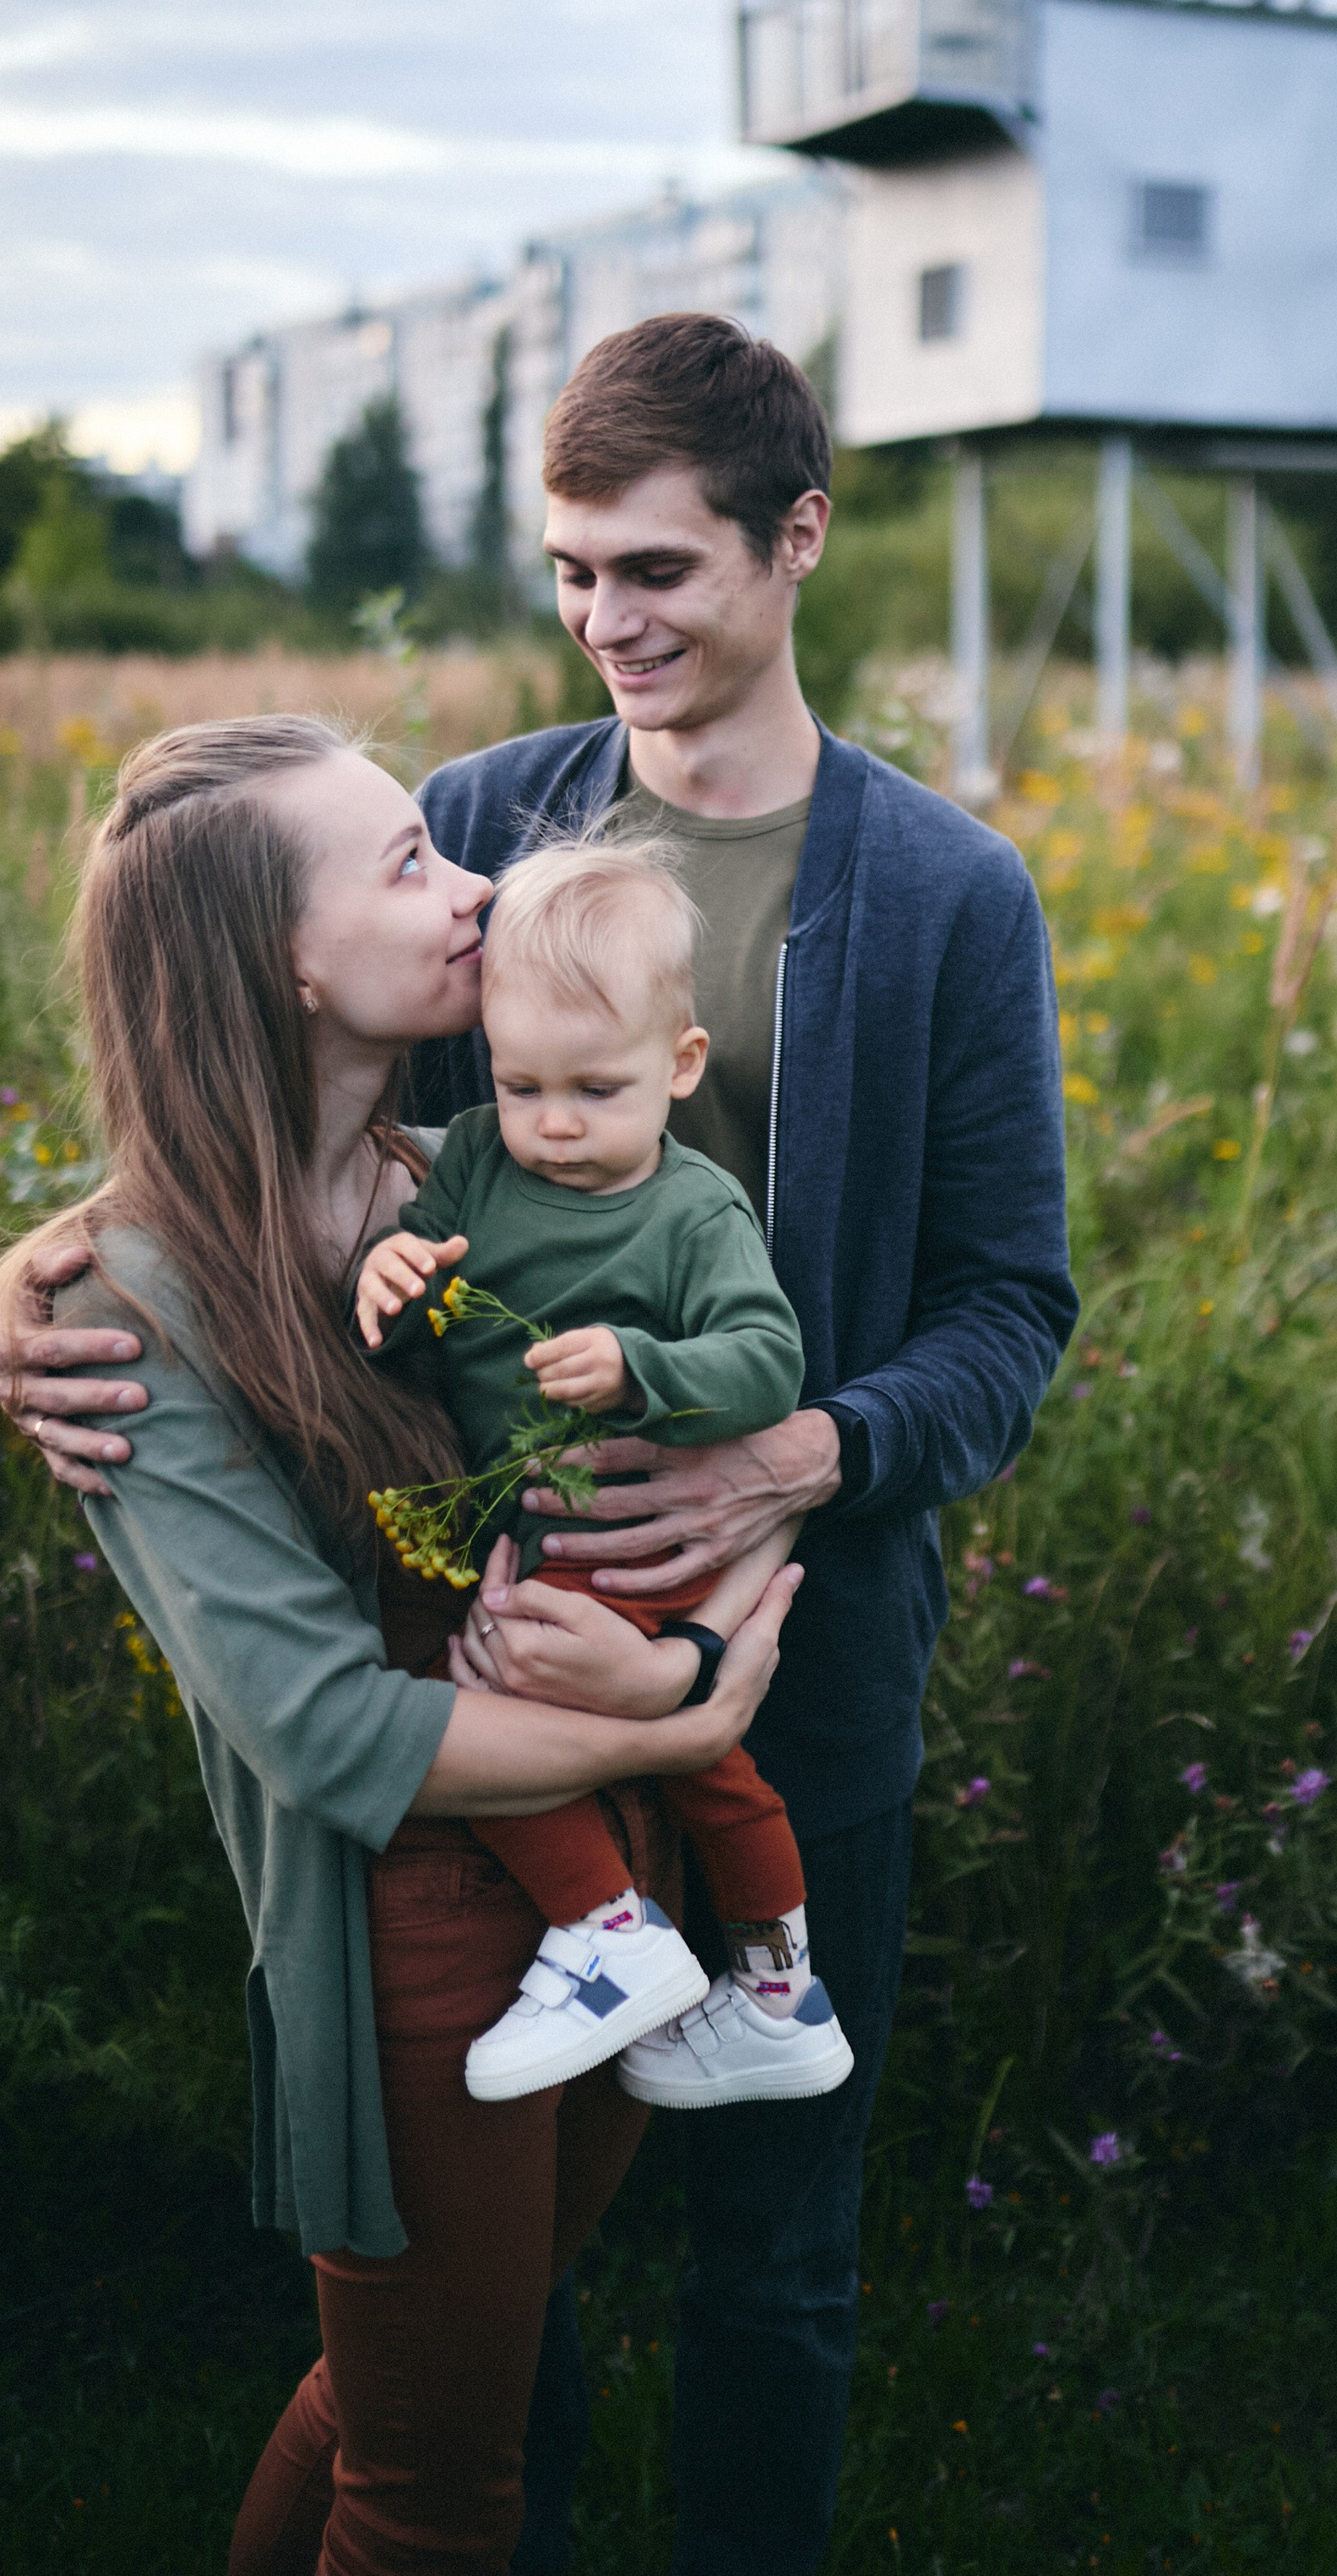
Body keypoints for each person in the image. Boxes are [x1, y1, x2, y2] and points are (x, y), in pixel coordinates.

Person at [0, 312, 1079, 2576]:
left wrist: (807, 1456)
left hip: (802, 1658)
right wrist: (32, 1276)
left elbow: (1009, 1309)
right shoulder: (477, 828)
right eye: (573, 570)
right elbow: (252, 1114)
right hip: (493, 1659)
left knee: (775, 2250)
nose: (608, 623)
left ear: (799, 539)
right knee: (517, 2273)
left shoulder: (947, 897)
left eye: (659, 569)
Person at [0, 713, 796, 2574]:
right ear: (283, 961)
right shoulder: (123, 1306)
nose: (474, 889)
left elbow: (704, 1390)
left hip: (613, 1898)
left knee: (402, 2403)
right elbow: (333, 1731)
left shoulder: (470, 1180)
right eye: (408, 864)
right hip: (412, 1938)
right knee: (438, 2494)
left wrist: (692, 1642)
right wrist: (678, 1724)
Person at [356, 835, 851, 2110]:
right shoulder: (474, 1156)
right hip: (506, 1529)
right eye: (524, 1087)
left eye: (595, 1088)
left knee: (548, 1732)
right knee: (648, 1755)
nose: (556, 1126)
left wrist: (639, 1368)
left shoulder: (693, 1213)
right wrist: (393, 1282)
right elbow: (420, 1288)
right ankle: (739, 1978)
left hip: (625, 1542)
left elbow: (767, 1360)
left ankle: (650, 1949)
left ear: (682, 1067)